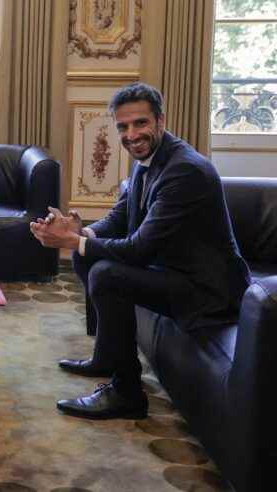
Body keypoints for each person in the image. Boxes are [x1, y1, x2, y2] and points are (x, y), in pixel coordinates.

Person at [30, 82, 250, 419]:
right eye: (123, 126)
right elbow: (121, 215)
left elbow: (140, 249)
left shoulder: (185, 170)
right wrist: (82, 232)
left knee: (106, 273)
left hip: (208, 291)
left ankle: (127, 393)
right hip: (173, 272)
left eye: (140, 123)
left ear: (160, 120)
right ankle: (107, 356)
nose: (132, 134)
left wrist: (74, 241)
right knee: (88, 254)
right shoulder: (147, 158)